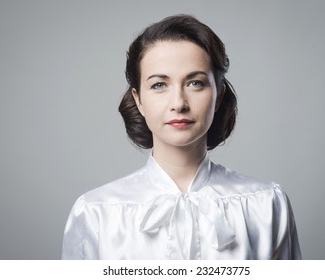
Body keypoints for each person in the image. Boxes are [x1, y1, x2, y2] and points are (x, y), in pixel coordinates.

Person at [61, 14, 301, 260]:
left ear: (218, 96)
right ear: (138, 100)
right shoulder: (96, 213)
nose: (178, 103)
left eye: (195, 83)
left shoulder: (265, 204)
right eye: (159, 85)